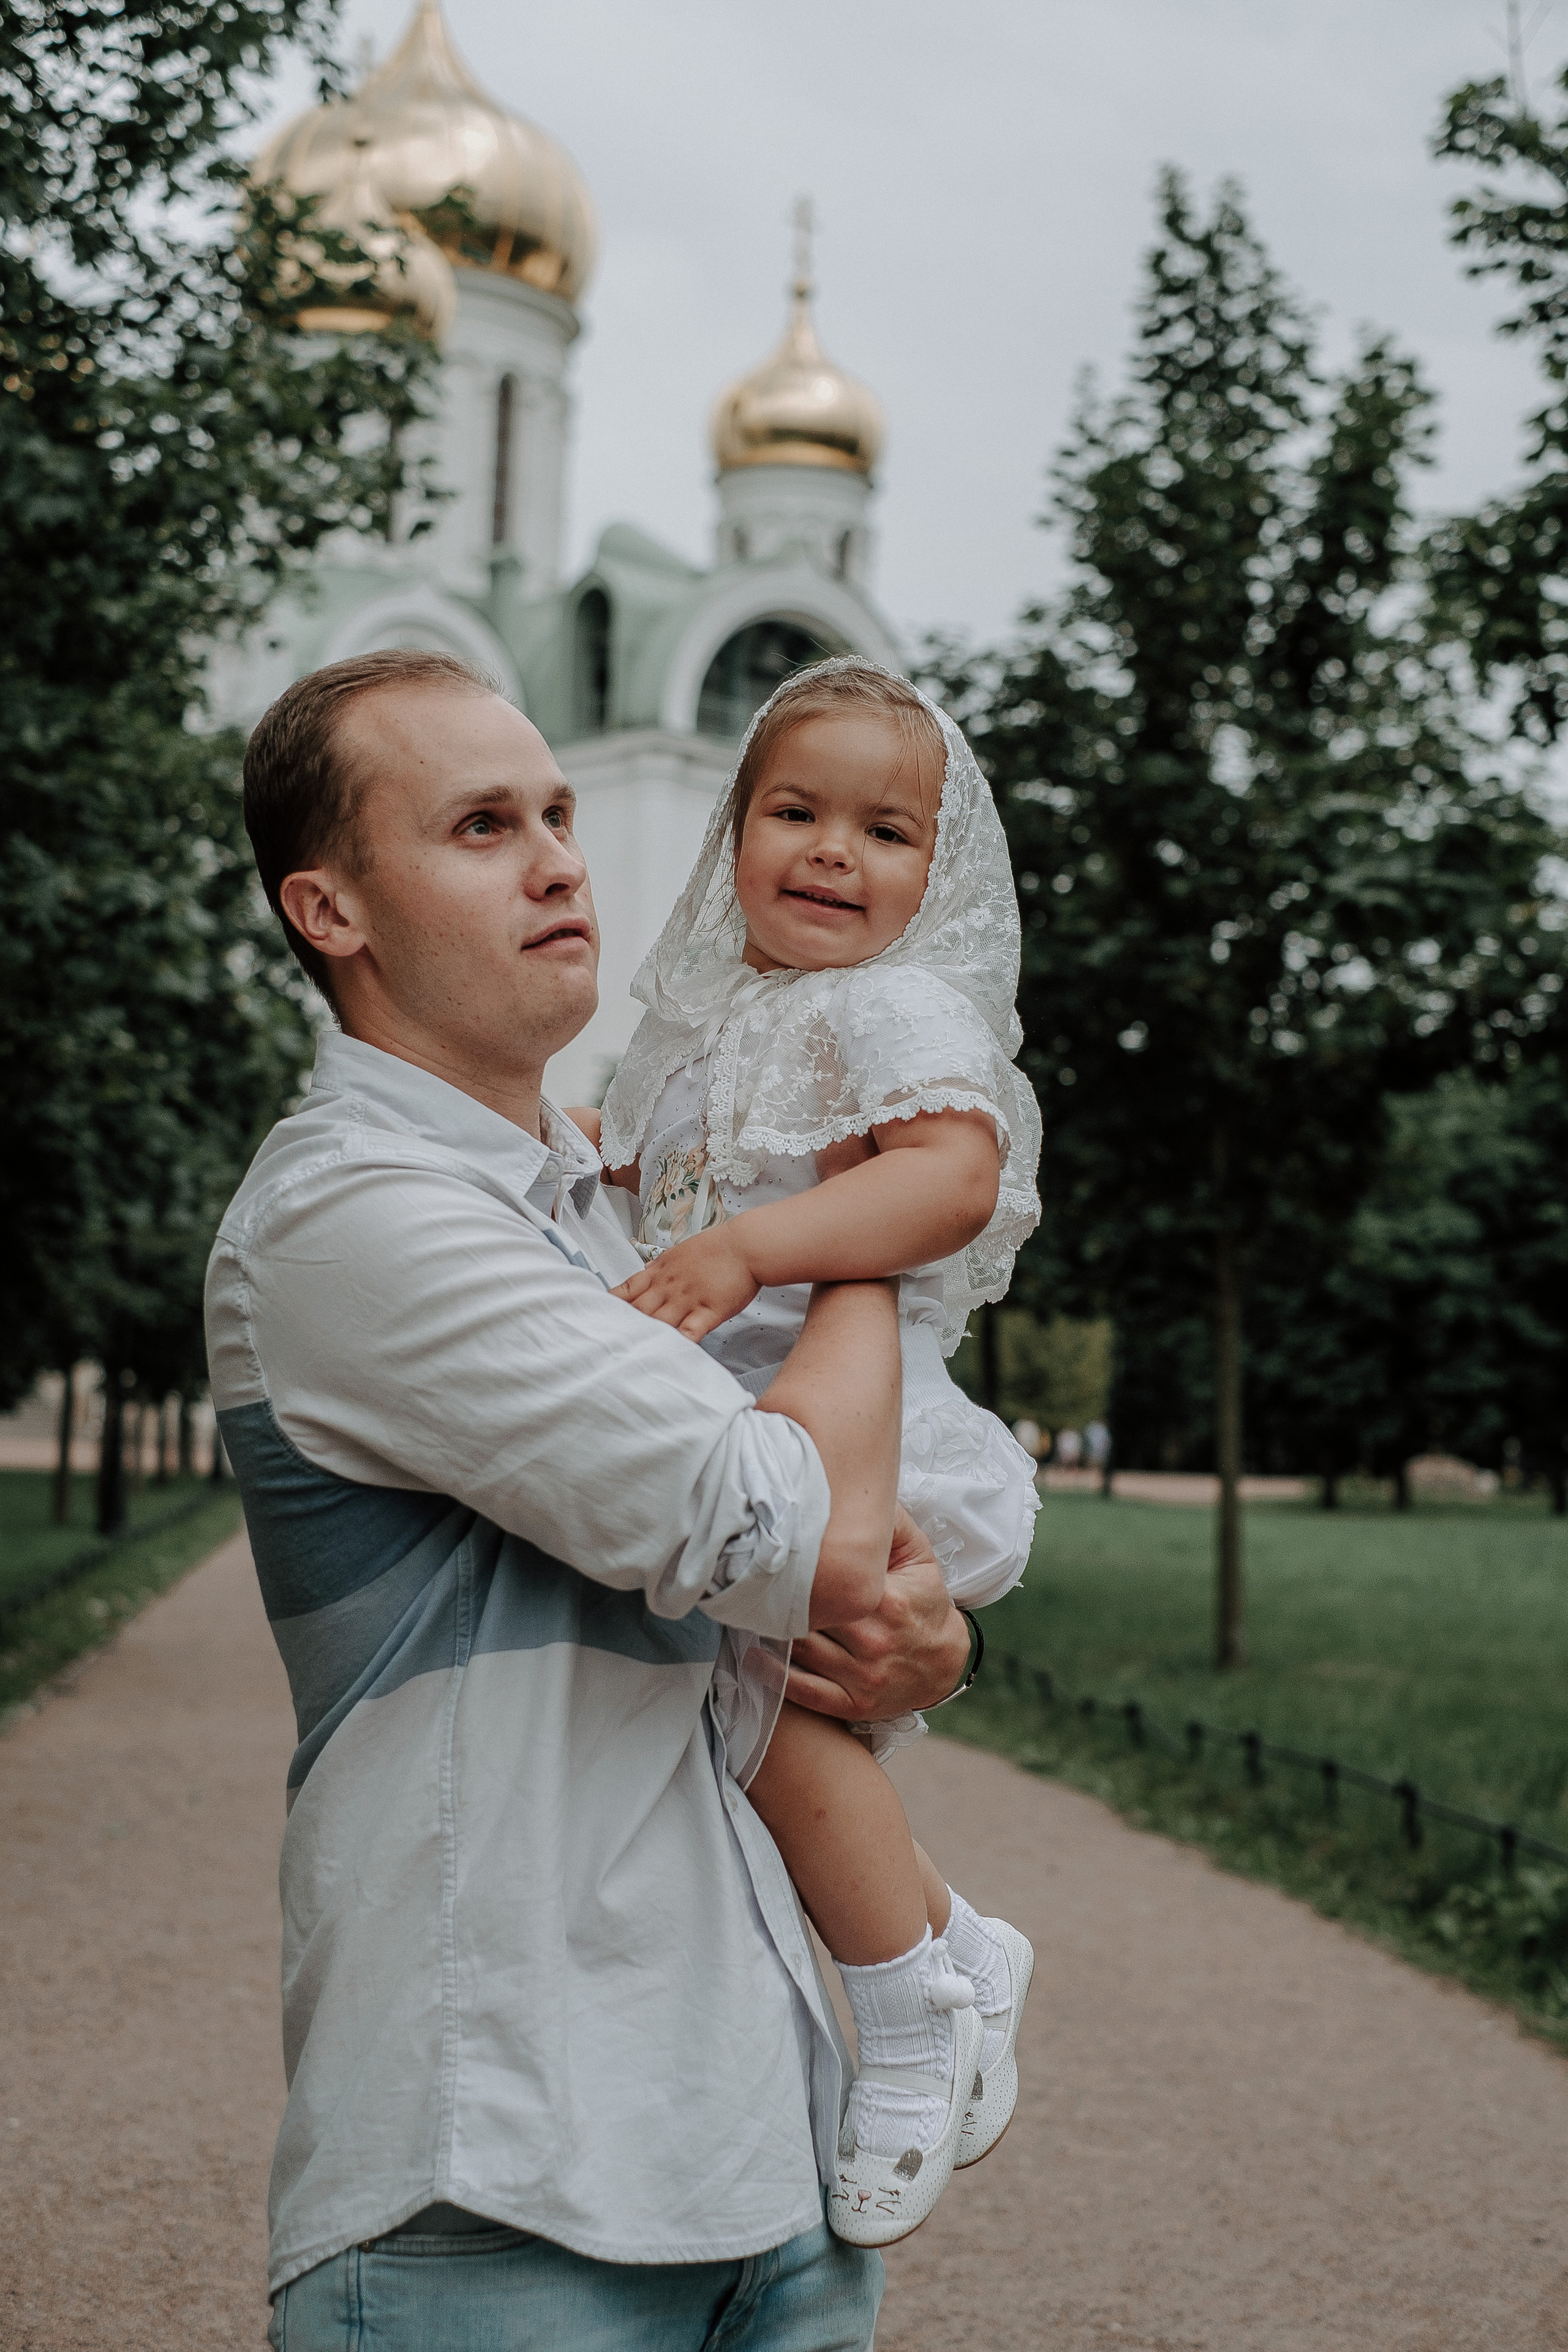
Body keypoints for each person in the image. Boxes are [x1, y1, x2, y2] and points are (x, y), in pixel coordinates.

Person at [206, 649, 976, 2352]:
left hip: (766, 2151)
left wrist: (923, 1644)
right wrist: (870, 1214)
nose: (562, 859)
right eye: (484, 826)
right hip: (501, 2184)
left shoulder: (613, 1207)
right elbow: (806, 1527)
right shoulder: (358, 1216)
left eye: (559, 812)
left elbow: (843, 1593)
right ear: (330, 910)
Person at [595, 660, 1042, 2242]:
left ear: (942, 870)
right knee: (764, 1730)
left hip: (864, 1417)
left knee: (765, 1725)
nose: (835, 853)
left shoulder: (893, 1007)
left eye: (886, 829)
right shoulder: (698, 1032)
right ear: (734, 837)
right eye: (795, 812)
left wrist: (747, 1251)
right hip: (748, 1408)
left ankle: (911, 2015)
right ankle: (957, 1943)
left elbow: (949, 1188)